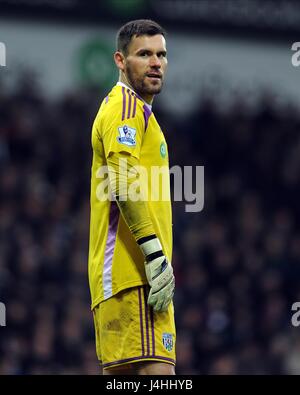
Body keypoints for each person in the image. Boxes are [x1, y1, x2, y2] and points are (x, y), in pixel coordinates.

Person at [88, 19, 176, 375]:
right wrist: (155, 257)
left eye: (161, 54)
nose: (155, 62)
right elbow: (122, 182)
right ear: (120, 61)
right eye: (144, 54)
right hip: (135, 275)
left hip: (125, 279)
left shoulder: (138, 113)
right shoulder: (125, 106)